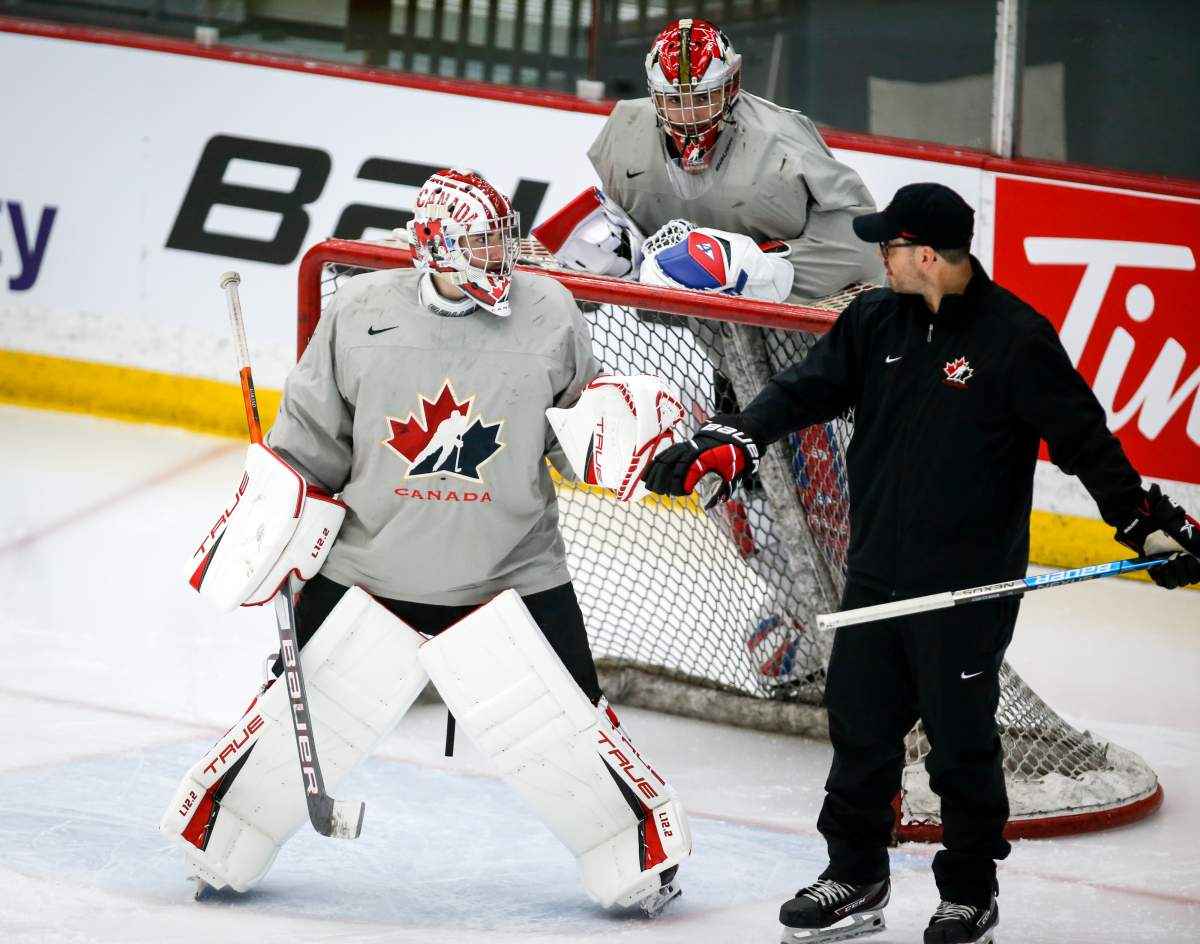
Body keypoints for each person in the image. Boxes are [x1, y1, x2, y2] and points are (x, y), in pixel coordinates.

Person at [642, 181, 1200, 944]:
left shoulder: (1014, 339)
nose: (881, 255)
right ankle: (855, 875)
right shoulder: (876, 319)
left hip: (965, 588)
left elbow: (1085, 443)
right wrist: (738, 437)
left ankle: (970, 893)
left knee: (961, 742)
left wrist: (1145, 526)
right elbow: (803, 390)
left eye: (891, 245)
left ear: (928, 255)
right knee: (860, 729)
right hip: (875, 573)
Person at [161, 169, 691, 917]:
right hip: (369, 568)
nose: (501, 256)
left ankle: (639, 857)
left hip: (513, 569)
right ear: (437, 247)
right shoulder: (359, 310)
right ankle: (222, 836)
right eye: (481, 242)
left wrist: (627, 438)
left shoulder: (551, 311)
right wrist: (273, 516)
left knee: (575, 724)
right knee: (288, 714)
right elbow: (311, 444)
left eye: (504, 239)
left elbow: (579, 436)